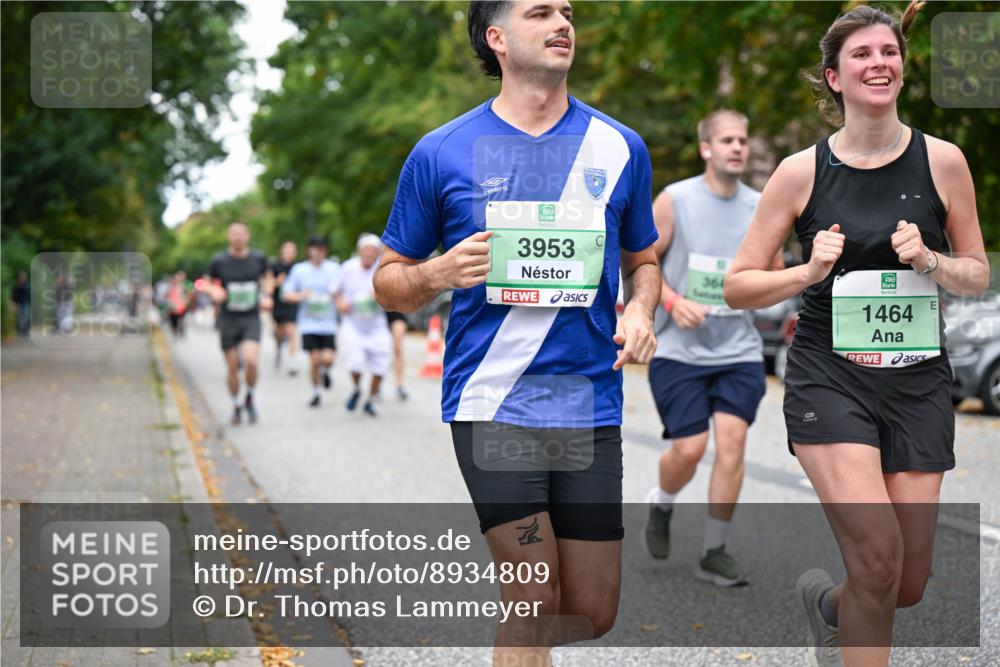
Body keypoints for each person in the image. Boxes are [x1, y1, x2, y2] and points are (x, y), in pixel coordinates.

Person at [373, 1, 660, 661]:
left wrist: (642, 308)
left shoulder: (618, 147)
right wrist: (439, 271)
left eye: (567, 11)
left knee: (590, 610)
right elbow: (389, 280)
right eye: (541, 11)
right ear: (497, 38)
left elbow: (643, 261)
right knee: (531, 596)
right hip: (491, 400)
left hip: (587, 401)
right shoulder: (441, 151)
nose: (563, 21)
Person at [724, 3, 989, 666]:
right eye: (862, 55)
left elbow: (977, 275)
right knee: (877, 555)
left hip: (919, 379)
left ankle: (828, 606)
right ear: (834, 77)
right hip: (828, 375)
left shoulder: (944, 162)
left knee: (905, 580)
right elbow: (738, 285)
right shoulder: (799, 172)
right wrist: (806, 269)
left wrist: (931, 261)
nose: (879, 63)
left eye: (889, 52)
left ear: (903, 66)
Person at [644, 110, 782, 586]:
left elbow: (774, 274)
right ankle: (662, 503)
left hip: (738, 348)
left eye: (743, 139)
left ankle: (713, 550)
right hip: (679, 350)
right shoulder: (675, 200)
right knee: (689, 447)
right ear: (706, 148)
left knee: (732, 442)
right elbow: (640, 262)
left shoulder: (760, 206)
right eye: (727, 140)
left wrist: (757, 289)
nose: (737, 147)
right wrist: (673, 299)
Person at [204, 221, 273, 426]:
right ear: (229, 237)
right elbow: (205, 282)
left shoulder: (258, 258)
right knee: (233, 366)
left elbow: (268, 278)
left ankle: (249, 396)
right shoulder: (219, 260)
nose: (238, 237)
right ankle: (236, 404)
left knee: (251, 360)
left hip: (251, 317)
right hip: (228, 318)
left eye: (241, 233)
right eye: (234, 233)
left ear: (248, 236)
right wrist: (212, 290)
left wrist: (267, 294)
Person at [334, 234, 392, 417]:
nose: (368, 254)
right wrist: (340, 302)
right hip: (353, 324)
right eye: (365, 251)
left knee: (381, 366)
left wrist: (381, 296)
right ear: (359, 251)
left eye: (373, 251)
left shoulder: (383, 270)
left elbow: (395, 295)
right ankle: (357, 388)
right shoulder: (348, 268)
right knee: (356, 362)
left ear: (377, 253)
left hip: (376, 324)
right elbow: (335, 291)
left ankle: (370, 398)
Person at [281, 236, 342, 407]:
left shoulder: (334, 269)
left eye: (321, 250)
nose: (318, 253)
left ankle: (325, 370)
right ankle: (316, 392)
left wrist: (337, 297)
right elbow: (285, 294)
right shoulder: (299, 270)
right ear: (309, 250)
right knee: (314, 360)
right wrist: (300, 296)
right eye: (315, 249)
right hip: (308, 323)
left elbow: (343, 290)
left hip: (328, 323)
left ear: (326, 251)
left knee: (328, 359)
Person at [271, 241, 301, 375]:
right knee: (279, 331)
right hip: (278, 303)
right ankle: (278, 347)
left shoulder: (298, 267)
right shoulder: (274, 265)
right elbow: (268, 285)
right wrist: (278, 281)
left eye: (291, 251)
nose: (289, 254)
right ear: (281, 252)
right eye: (286, 251)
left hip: (292, 303)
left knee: (291, 330)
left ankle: (292, 361)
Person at [386, 309, 409, 400]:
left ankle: (400, 385)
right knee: (379, 349)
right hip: (378, 312)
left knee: (397, 348)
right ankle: (376, 383)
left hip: (397, 310)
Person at [165, 271, 191, 338]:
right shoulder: (171, 286)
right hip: (173, 307)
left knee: (182, 319)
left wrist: (186, 302)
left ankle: (181, 330)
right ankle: (175, 333)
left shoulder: (186, 285)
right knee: (174, 321)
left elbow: (188, 294)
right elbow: (167, 295)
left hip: (182, 306)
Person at [11, 271, 30, 337]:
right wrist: (14, 303)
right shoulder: (16, 285)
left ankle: (25, 331)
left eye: (24, 276)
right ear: (20, 277)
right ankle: (21, 331)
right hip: (18, 304)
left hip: (25, 303)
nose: (23, 278)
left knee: (26, 317)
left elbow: (28, 294)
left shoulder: (27, 285)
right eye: (22, 276)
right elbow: (13, 295)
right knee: (20, 319)